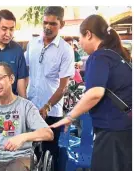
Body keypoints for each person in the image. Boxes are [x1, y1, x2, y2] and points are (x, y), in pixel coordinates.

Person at [51, 14, 132, 171]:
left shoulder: (99, 57)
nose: (79, 43)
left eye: (80, 37)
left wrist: (70, 116)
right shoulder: (119, 57)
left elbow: (95, 93)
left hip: (112, 132)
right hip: (126, 130)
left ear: (88, 34)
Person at [24, 6, 74, 170]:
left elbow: (63, 86)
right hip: (30, 109)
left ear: (62, 24)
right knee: (28, 154)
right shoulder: (32, 44)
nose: (48, 27)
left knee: (49, 155)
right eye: (45, 22)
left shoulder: (66, 51)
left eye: (53, 24)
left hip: (51, 113)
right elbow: (23, 75)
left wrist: (47, 106)